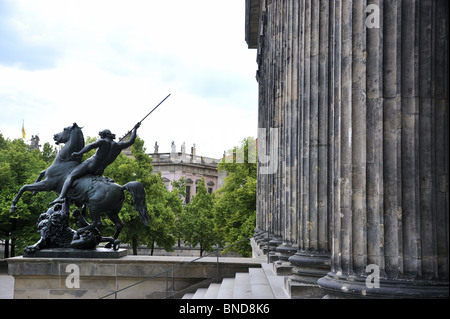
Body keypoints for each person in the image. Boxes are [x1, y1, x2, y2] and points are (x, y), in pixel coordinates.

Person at [49, 122, 140, 205]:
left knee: (70, 176)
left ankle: (61, 197)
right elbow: (131, 141)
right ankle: (83, 203)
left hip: (90, 165)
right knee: (90, 186)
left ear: (103, 135)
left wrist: (79, 153)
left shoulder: (103, 141)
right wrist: (135, 129)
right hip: (99, 171)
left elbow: (90, 146)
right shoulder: (118, 146)